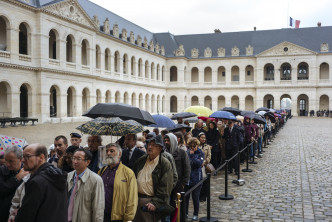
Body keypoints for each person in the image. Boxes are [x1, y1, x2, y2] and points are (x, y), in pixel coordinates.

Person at [15, 144, 68, 222]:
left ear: (41, 157)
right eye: (23, 156)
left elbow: (26, 216)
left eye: (27, 156)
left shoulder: (37, 181)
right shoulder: (59, 176)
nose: (23, 160)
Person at [133, 135, 174, 222]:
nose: (150, 147)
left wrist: (155, 203)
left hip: (150, 203)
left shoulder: (164, 164)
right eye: (149, 144)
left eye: (154, 145)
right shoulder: (141, 160)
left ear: (160, 148)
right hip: (136, 200)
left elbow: (165, 187)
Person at [98, 143, 138, 222]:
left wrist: (128, 218)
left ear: (119, 154)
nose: (108, 153)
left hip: (118, 217)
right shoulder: (101, 171)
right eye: (107, 151)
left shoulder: (128, 173)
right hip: (101, 215)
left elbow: (132, 198)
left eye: (112, 151)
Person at [67, 148, 105, 222]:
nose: (75, 161)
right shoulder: (68, 176)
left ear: (87, 162)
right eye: (73, 158)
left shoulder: (96, 180)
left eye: (78, 159)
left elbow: (98, 208)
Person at [0, 146, 28, 222]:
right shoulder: (2, 170)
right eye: (6, 160)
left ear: (20, 159)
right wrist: (17, 178)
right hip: (2, 212)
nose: (7, 164)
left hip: (17, 214)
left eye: (11, 161)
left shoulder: (27, 172)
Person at [164, 133, 190, 211]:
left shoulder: (181, 153)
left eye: (168, 140)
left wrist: (183, 183)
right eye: (165, 140)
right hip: (167, 184)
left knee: (177, 205)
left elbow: (187, 168)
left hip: (178, 184)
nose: (166, 142)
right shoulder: (164, 153)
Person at [185, 138, 205, 221]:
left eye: (194, 146)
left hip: (197, 179)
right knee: (185, 197)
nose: (192, 147)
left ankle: (195, 214)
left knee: (195, 197)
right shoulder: (186, 153)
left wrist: (192, 156)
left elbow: (198, 163)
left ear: (197, 145)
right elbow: (187, 163)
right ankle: (185, 212)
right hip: (188, 179)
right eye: (190, 146)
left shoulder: (201, 153)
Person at [197, 132, 211, 202]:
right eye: (202, 138)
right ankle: (198, 195)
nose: (203, 139)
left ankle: (204, 196)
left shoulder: (207, 146)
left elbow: (209, 156)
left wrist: (204, 162)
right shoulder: (196, 146)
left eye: (204, 138)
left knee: (205, 181)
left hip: (204, 166)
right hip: (198, 165)